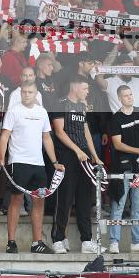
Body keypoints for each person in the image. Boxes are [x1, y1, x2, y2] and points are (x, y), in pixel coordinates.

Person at [0, 83, 64, 254]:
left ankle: (37, 242)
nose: (27, 95)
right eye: (24, 92)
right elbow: (5, 136)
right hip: (18, 161)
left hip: (38, 164)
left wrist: (55, 161)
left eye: (30, 92)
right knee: (16, 200)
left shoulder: (42, 112)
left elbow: (47, 138)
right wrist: (1, 157)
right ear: (20, 93)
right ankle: (11, 241)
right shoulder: (14, 111)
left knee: (39, 200)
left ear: (36, 94)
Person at [50, 76, 103, 254]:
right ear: (75, 87)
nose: (88, 92)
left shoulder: (82, 106)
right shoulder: (60, 103)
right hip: (67, 155)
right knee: (65, 197)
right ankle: (58, 239)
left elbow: (86, 131)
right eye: (86, 88)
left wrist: (94, 155)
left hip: (84, 157)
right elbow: (59, 132)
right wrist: (76, 150)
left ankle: (86, 240)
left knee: (84, 198)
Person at [108, 85, 139, 254]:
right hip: (123, 168)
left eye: (130, 94)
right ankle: (113, 242)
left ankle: (138, 241)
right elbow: (117, 144)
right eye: (125, 96)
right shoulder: (116, 119)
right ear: (119, 98)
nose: (129, 98)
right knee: (118, 206)